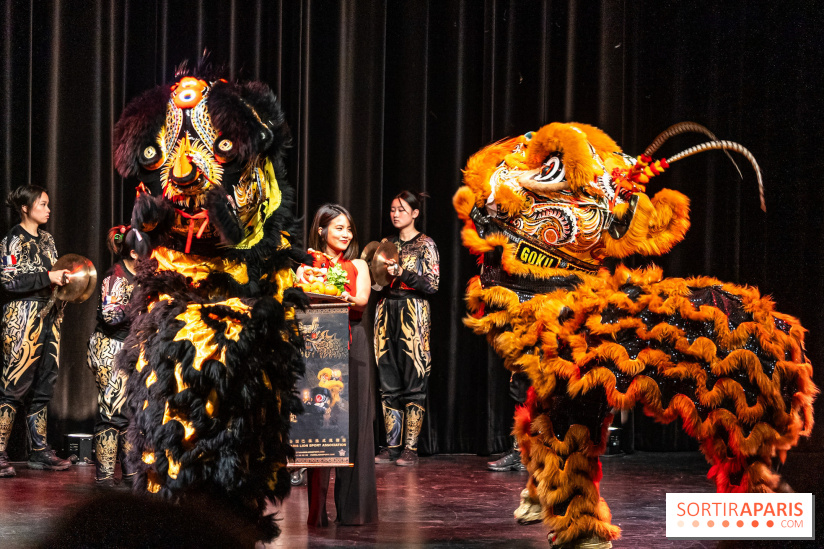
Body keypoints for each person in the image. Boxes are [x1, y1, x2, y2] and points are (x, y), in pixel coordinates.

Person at [297, 203, 378, 526]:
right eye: (339, 228)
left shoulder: (358, 264)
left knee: (355, 423)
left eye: (349, 229)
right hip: (318, 342)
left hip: (353, 341)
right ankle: (317, 512)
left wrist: (341, 296)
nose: (346, 234)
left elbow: (362, 300)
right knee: (321, 423)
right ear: (321, 230)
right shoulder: (307, 264)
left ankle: (354, 511)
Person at [0, 185, 71, 477]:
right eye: (42, 204)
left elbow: (53, 276)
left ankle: (39, 451)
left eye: (48, 204)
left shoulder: (48, 240)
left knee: (44, 385)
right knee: (13, 385)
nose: (48, 209)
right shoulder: (12, 240)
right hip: (23, 316)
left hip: (50, 317)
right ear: (25, 208)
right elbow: (8, 281)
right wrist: (48, 276)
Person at [374, 191, 439, 466]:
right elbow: (376, 282)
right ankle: (392, 446)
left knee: (415, 379)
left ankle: (411, 448)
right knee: (388, 381)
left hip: (413, 310)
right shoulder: (386, 243)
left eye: (401, 209)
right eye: (392, 209)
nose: (395, 214)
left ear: (415, 213)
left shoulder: (425, 244)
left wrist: (403, 273)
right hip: (386, 309)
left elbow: (432, 285)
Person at [87, 225, 139, 487]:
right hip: (110, 348)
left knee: (130, 412)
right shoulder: (116, 277)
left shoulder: (141, 275)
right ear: (134, 253)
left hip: (129, 348)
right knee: (111, 412)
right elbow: (111, 315)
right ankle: (105, 477)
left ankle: (131, 473)